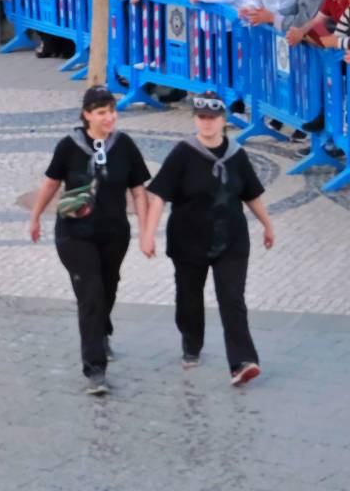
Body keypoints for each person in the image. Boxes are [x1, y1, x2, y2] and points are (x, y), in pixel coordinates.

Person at [141, 93, 275, 386]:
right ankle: (191, 343)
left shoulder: (236, 155)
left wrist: (267, 225)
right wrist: (148, 234)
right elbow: (160, 195)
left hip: (232, 239)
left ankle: (242, 362)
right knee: (189, 297)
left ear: (223, 121)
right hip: (188, 240)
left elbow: (251, 193)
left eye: (212, 118)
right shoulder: (183, 153)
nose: (206, 123)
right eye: (201, 117)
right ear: (195, 119)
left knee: (232, 299)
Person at [28, 86, 150, 396]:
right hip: (74, 234)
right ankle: (95, 371)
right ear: (86, 115)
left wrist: (147, 230)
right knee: (91, 295)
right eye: (101, 112)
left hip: (114, 233)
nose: (108, 117)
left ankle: (102, 332)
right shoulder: (68, 146)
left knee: (108, 287)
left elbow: (138, 190)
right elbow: (50, 183)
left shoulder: (124, 145)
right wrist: (35, 217)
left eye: (111, 111)